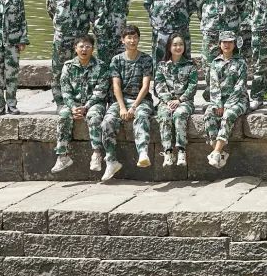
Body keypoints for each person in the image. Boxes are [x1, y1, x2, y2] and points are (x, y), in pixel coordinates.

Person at [101, 24, 154, 180]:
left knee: (142, 116)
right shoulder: (116, 60)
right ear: (122, 40)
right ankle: (111, 161)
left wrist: (134, 107)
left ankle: (143, 152)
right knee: (107, 121)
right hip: (121, 100)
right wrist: (123, 108)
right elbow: (116, 86)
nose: (132, 41)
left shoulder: (146, 59)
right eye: (129, 38)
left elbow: (145, 86)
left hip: (141, 100)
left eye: (135, 37)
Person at [51, 35, 108, 174]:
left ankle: (96, 154)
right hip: (74, 104)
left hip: (94, 103)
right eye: (81, 46)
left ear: (93, 49)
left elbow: (100, 91)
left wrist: (86, 107)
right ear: (75, 48)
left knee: (94, 116)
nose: (84, 49)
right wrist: (73, 107)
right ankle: (62, 156)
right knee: (64, 115)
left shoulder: (101, 66)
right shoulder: (68, 66)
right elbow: (65, 91)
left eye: (88, 47)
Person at [46, 0, 96, 106]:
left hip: (81, 35)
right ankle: (60, 101)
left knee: (81, 67)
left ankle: (78, 99)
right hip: (63, 35)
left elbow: (92, 6)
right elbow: (51, 8)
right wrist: (63, 23)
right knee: (59, 69)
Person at [205, 31, 249, 169]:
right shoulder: (215, 63)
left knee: (228, 115)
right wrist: (218, 104)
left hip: (239, 100)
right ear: (220, 44)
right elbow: (213, 85)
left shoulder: (241, 62)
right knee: (208, 115)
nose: (227, 45)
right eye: (224, 42)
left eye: (230, 42)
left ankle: (217, 152)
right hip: (219, 101)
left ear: (234, 44)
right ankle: (219, 152)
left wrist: (228, 105)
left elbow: (240, 86)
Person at [154, 31, 197, 168]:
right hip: (166, 102)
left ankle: (182, 151)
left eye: (181, 44)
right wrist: (168, 101)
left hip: (185, 102)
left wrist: (180, 100)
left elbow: (192, 86)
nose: (178, 47)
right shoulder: (162, 65)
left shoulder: (190, 65)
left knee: (179, 114)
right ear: (169, 47)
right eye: (175, 45)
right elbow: (159, 85)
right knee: (164, 114)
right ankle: (168, 151)